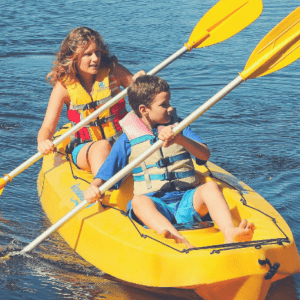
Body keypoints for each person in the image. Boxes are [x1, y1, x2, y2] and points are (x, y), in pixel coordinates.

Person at [84, 75, 255, 247]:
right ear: (144, 109)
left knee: (210, 188)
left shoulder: (180, 127)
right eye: (163, 105)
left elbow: (204, 155)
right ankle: (178, 240)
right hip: (155, 205)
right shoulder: (127, 139)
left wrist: (181, 139)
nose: (170, 108)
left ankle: (229, 232)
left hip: (187, 201)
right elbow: (106, 173)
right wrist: (93, 187)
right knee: (138, 202)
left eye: (169, 102)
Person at [38, 26, 144, 175]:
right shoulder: (63, 87)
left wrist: (140, 81)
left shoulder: (114, 72)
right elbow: (47, 127)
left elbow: (142, 93)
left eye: (97, 52)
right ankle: (102, 191)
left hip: (121, 140)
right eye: (88, 54)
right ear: (73, 58)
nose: (95, 58)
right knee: (101, 147)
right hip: (87, 147)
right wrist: (43, 142)